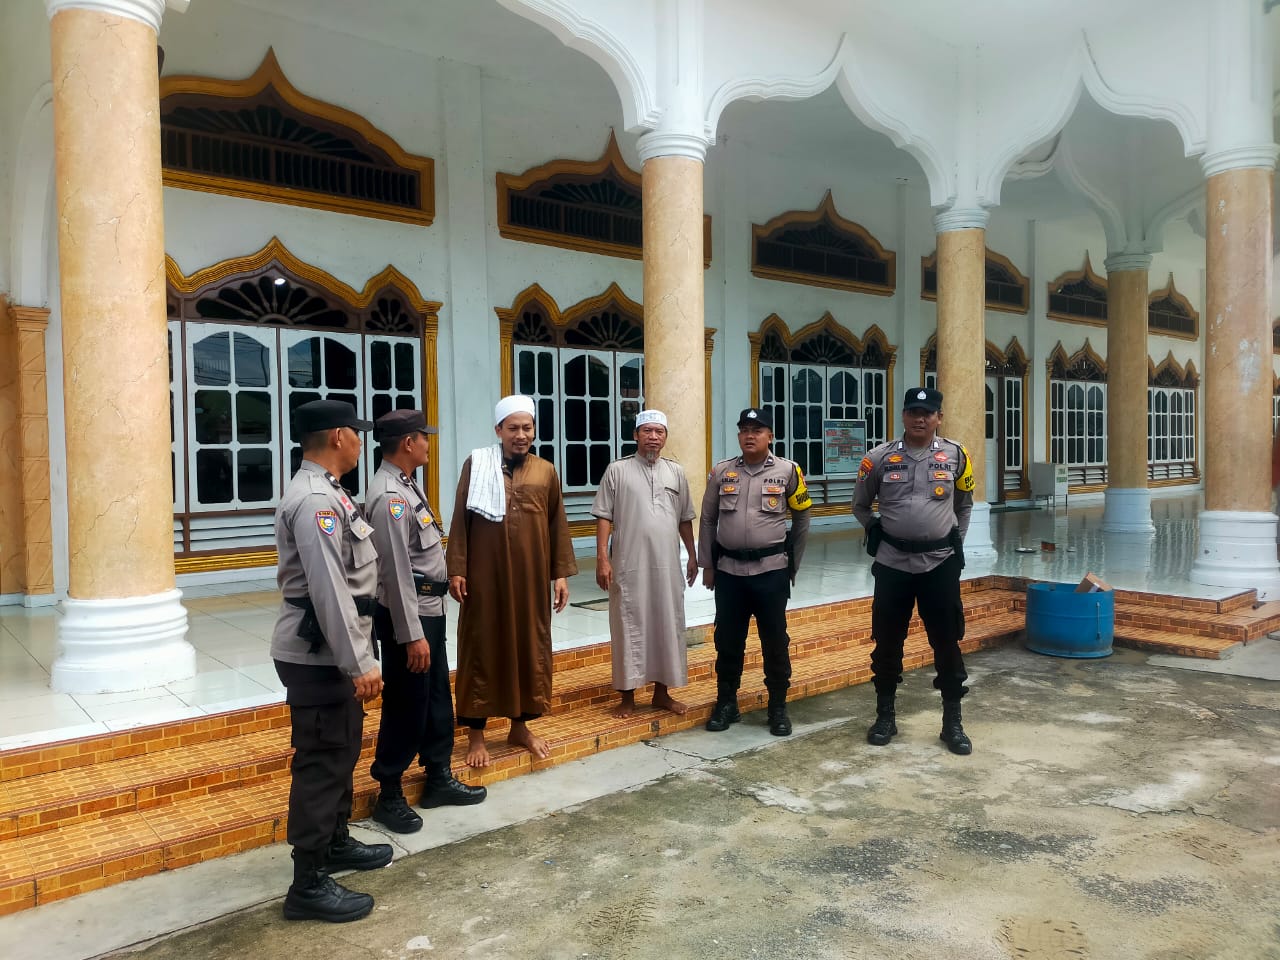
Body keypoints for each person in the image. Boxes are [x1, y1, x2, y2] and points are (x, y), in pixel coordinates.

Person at [271, 399, 392, 923]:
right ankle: (308, 883)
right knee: (321, 762)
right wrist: (359, 661)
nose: (362, 442)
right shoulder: (315, 500)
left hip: (332, 651)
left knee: (340, 750)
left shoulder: (331, 491)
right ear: (339, 436)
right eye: (357, 433)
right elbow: (329, 589)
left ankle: (335, 842)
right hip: (321, 653)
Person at [365, 409, 487, 835]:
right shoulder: (389, 496)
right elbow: (395, 571)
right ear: (407, 443)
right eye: (423, 437)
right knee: (405, 703)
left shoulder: (406, 483)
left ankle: (437, 776)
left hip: (428, 610)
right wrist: (411, 634)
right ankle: (389, 792)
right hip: (409, 616)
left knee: (434, 697)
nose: (428, 444)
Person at [447, 395, 578, 767]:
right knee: (481, 647)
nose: (521, 435)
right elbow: (460, 519)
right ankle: (476, 735)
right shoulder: (477, 464)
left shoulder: (545, 471)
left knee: (528, 646)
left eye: (527, 428)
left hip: (530, 579)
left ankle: (520, 727)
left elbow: (557, 524)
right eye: (513, 428)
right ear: (499, 430)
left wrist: (559, 575)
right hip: (484, 578)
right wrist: (457, 568)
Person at [852, 386, 976, 756]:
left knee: (947, 642)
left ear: (939, 418)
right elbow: (860, 505)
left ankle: (952, 722)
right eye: (913, 412)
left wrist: (956, 543)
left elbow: (964, 504)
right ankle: (885, 716)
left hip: (939, 564)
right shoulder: (878, 458)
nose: (920, 419)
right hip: (892, 565)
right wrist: (875, 530)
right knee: (887, 642)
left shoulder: (956, 455)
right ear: (903, 415)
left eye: (927, 413)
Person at [698, 407, 812, 737]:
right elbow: (708, 519)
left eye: (757, 430)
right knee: (727, 641)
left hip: (771, 571)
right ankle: (726, 703)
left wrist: (793, 563)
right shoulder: (722, 471)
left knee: (775, 641)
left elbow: (802, 518)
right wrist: (708, 565)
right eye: (744, 430)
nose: (750, 436)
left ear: (770, 436)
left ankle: (777, 707)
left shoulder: (789, 471)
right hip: (729, 573)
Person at [591, 409, 699, 719]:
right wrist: (602, 558)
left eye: (659, 431)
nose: (653, 437)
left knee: (668, 622)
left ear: (665, 437)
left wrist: (692, 555)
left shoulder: (676, 472)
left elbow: (685, 518)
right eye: (647, 431)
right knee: (628, 624)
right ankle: (627, 696)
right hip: (628, 564)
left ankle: (662, 693)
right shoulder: (617, 470)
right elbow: (604, 516)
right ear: (636, 435)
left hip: (667, 566)